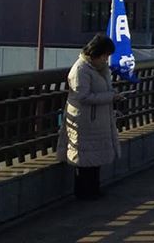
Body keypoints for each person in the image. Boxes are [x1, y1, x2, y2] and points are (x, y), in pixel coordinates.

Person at [57, 34, 122, 200]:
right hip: (85, 120)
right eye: (105, 55)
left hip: (97, 119)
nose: (106, 59)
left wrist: (112, 94)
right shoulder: (80, 69)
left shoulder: (100, 69)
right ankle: (84, 191)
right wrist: (110, 97)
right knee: (84, 157)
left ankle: (93, 189)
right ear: (96, 53)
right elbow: (83, 96)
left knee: (95, 156)